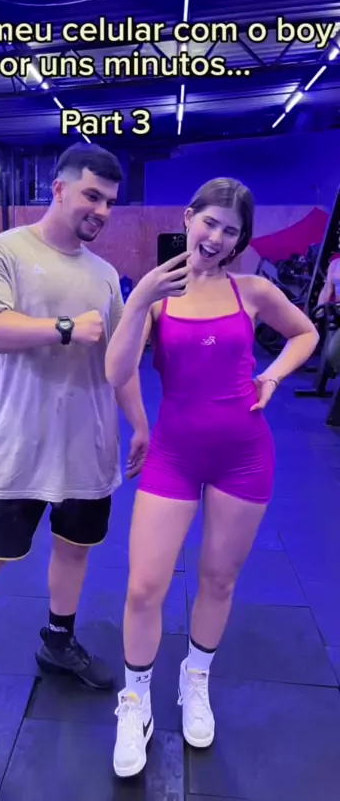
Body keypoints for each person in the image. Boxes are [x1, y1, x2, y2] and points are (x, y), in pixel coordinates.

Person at [0, 142, 150, 732]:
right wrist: (66, 327)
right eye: (92, 195)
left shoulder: (103, 275)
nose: (102, 210)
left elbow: (119, 362)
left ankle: (58, 642)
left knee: (74, 550)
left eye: (111, 201)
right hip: (20, 446)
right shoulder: (3, 252)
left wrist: (141, 423)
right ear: (60, 188)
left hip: (88, 445)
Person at [105, 178, 319, 778]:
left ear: (238, 240)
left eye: (231, 231)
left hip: (244, 455)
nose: (217, 237)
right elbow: (116, 372)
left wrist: (272, 376)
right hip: (174, 455)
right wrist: (139, 301)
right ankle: (135, 700)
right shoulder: (158, 295)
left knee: (219, 580)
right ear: (188, 218)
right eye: (210, 222)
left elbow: (306, 332)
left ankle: (194, 678)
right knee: (144, 587)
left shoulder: (252, 290)